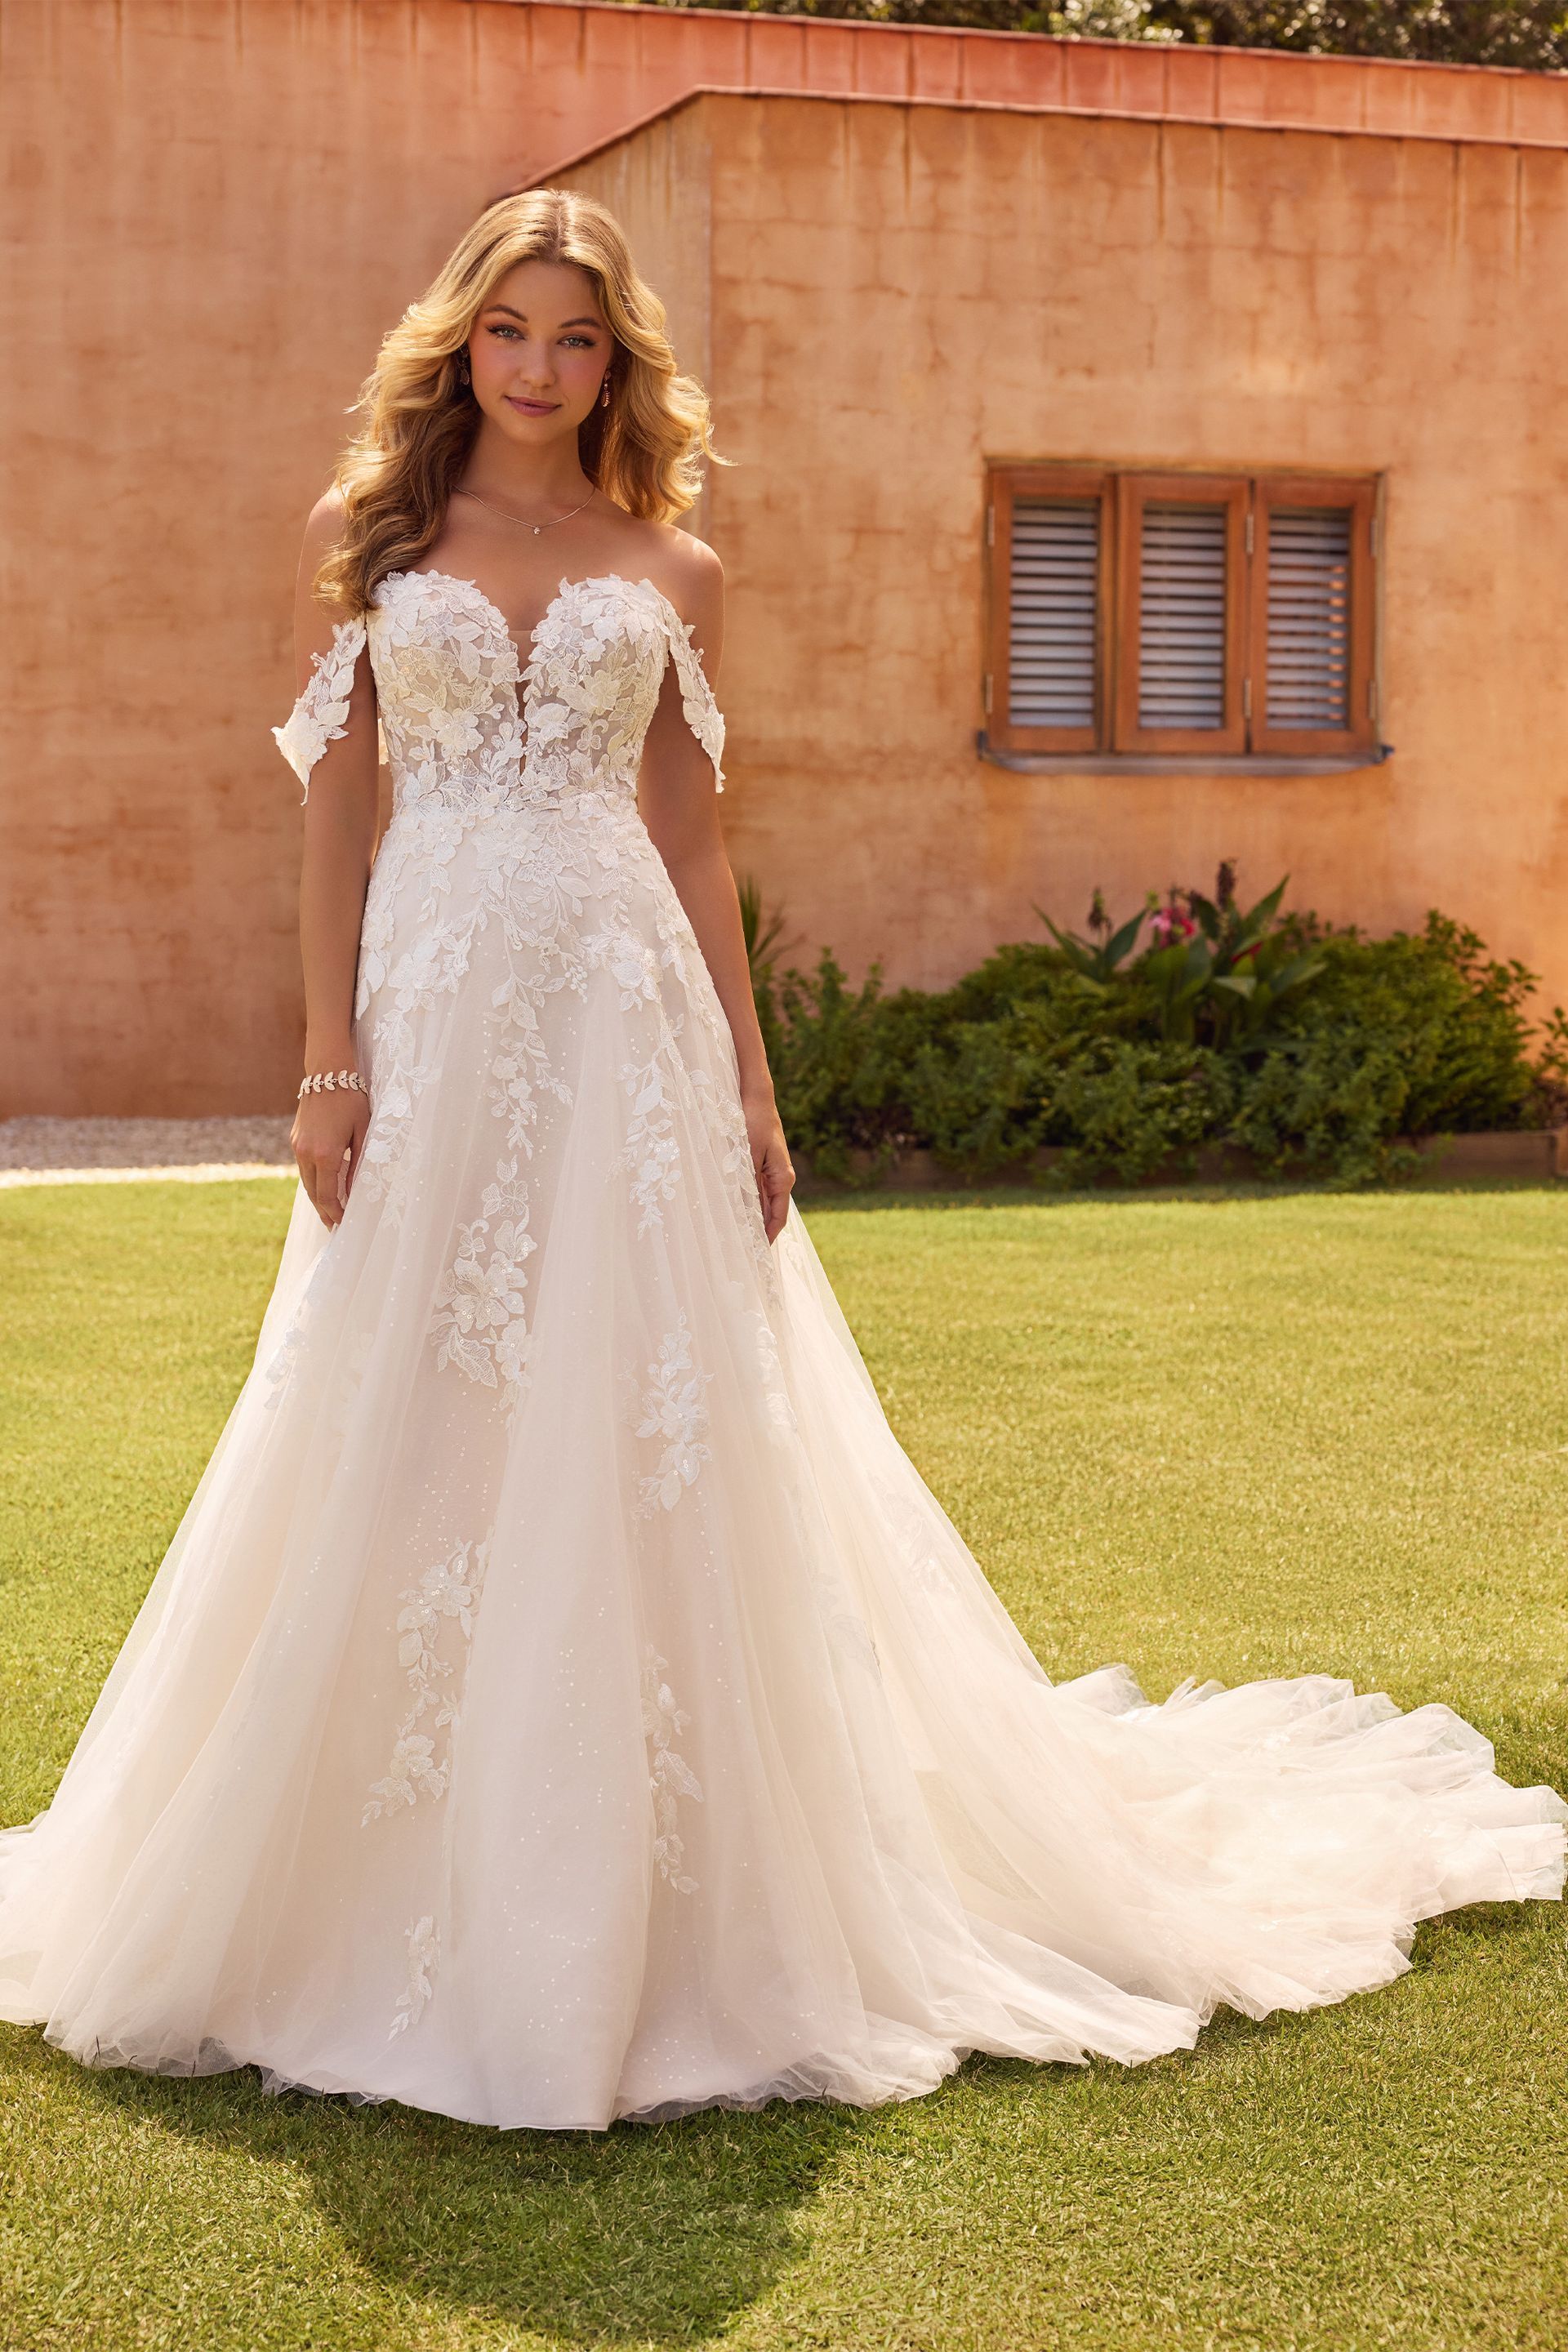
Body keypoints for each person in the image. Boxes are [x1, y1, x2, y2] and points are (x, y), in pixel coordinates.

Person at [0, 190, 1560, 2132]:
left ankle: (660, 1888)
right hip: (434, 999)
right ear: (463, 344)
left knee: (642, 1412)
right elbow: (338, 816)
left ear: (615, 361)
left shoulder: (677, 563)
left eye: (578, 340)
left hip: (624, 1018)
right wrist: (324, 1052)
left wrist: (749, 1082)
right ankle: (366, 1857)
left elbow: (694, 836)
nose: (543, 370)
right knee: (403, 1392)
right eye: (513, 335)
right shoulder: (367, 539)